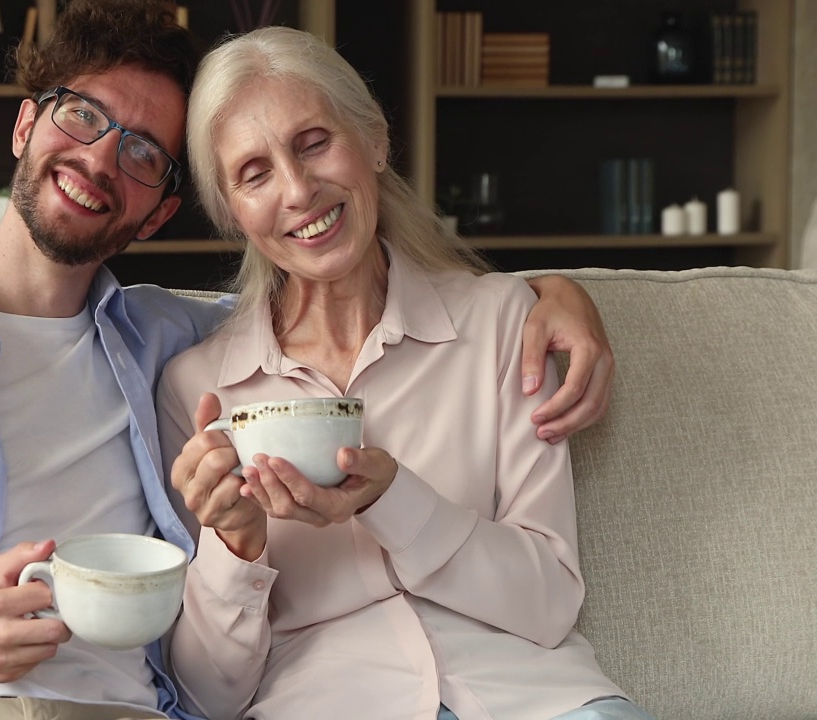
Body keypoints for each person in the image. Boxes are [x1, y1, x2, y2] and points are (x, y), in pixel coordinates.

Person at [0, 3, 615, 719]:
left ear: (163, 210)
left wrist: (551, 294)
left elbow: (329, 282)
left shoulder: (172, 348)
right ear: (24, 125)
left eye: (140, 153)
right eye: (80, 116)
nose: (98, 159)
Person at [157, 26, 652, 720]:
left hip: (538, 702)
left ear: (375, 142)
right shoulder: (198, 391)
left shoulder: (503, 323)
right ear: (233, 213)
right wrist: (235, 544)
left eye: (314, 142)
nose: (298, 190)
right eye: (255, 173)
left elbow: (549, 602)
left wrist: (391, 500)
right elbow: (208, 697)